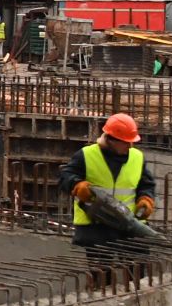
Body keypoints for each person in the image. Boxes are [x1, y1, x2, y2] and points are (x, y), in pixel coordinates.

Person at [60, 113, 155, 268]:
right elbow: (65, 176)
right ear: (111, 139)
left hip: (129, 224)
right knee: (102, 274)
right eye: (125, 142)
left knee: (137, 270)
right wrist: (77, 186)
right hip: (97, 224)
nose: (129, 146)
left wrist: (146, 199)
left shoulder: (137, 157)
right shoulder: (87, 155)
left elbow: (146, 184)